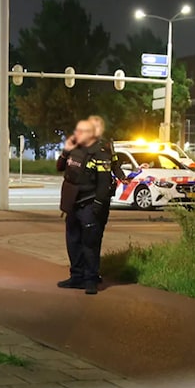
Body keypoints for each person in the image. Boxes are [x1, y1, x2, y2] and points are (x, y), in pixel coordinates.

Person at [56, 119, 111, 295]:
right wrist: (66, 150)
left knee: (90, 244)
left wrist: (97, 206)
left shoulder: (100, 154)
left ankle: (91, 280)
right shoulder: (75, 150)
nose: (77, 134)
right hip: (73, 205)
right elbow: (59, 167)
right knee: (73, 242)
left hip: (89, 204)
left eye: (82, 131)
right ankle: (76, 277)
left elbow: (104, 183)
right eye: (77, 130)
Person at [87, 115, 121, 283]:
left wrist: (123, 176)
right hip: (93, 199)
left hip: (103, 199)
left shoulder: (107, 146)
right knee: (91, 237)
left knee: (97, 235)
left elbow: (115, 164)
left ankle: (93, 272)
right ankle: (90, 274)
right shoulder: (89, 148)